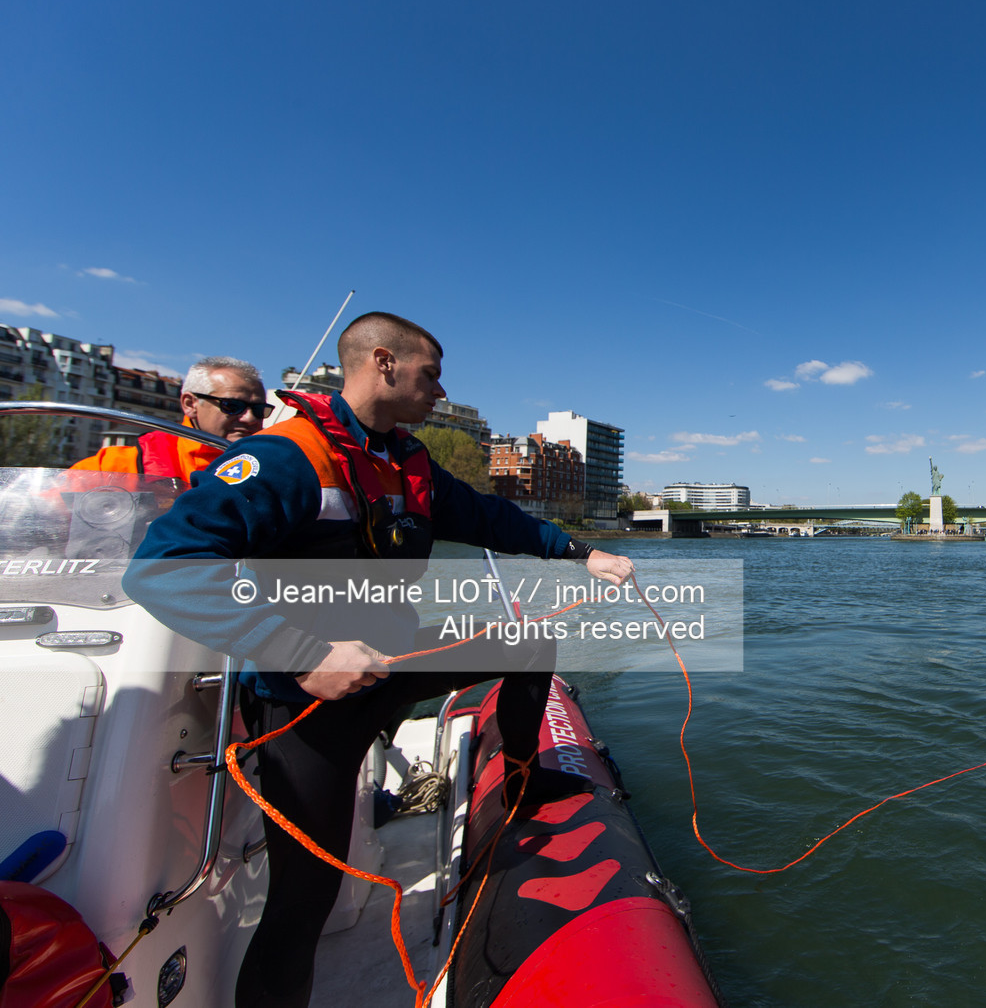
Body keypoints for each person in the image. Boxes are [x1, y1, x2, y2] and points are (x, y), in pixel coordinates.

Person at [124, 312, 634, 1008]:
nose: (440, 393)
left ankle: (519, 785)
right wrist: (302, 655)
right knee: (305, 903)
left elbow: (492, 518)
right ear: (385, 363)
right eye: (431, 376)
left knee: (528, 641)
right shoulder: (285, 458)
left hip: (390, 659)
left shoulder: (408, 461)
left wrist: (582, 553)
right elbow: (161, 569)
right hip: (306, 696)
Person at [72, 356, 269, 480]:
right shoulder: (127, 465)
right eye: (232, 406)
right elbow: (50, 508)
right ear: (190, 404)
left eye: (259, 409)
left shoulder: (273, 467)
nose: (250, 418)